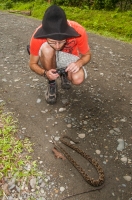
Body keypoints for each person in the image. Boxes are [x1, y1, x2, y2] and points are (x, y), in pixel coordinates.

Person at [28, 5, 91, 104]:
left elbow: (87, 55)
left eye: (62, 41)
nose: (57, 46)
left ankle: (63, 73)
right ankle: (51, 81)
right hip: (48, 55)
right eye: (53, 41)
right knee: (47, 48)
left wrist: (79, 63)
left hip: (69, 57)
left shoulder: (78, 30)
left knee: (78, 79)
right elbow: (32, 64)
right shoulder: (37, 36)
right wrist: (45, 73)